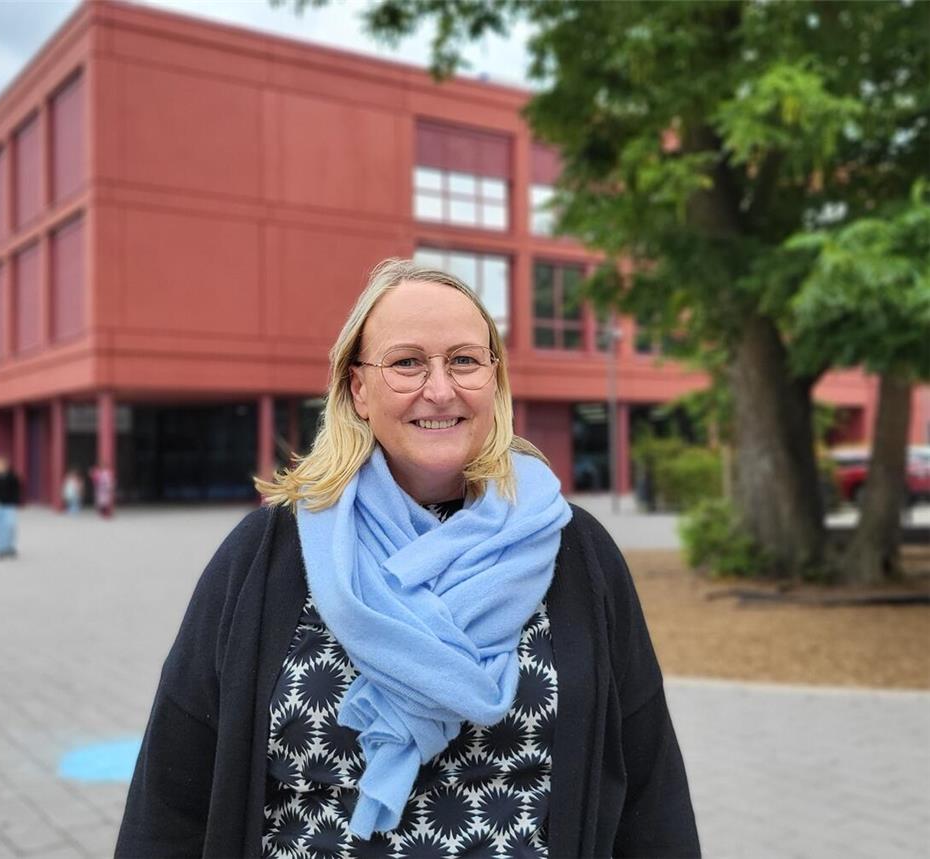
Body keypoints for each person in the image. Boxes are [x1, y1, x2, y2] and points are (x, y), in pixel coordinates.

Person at [115, 259, 699, 858]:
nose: (440, 389)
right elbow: (170, 798)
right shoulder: (266, 556)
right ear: (357, 389)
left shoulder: (574, 551)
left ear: (494, 382)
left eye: (465, 361)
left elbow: (650, 795)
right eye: (407, 363)